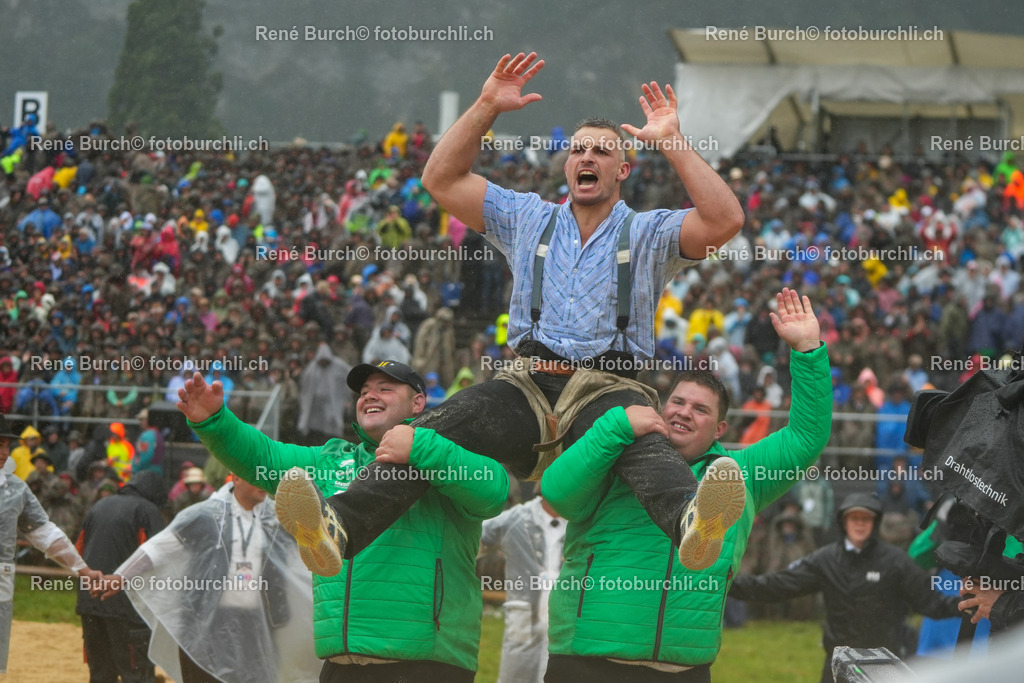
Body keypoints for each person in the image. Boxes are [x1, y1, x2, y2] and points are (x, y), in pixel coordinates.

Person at [278, 52, 747, 581]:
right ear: (567, 164)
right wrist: (485, 106)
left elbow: (726, 219)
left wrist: (673, 142)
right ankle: (335, 527)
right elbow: (441, 178)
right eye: (578, 150)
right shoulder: (528, 216)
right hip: (524, 383)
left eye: (601, 150)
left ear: (623, 169)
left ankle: (694, 524)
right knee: (432, 430)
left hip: (607, 387)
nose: (586, 157)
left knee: (643, 442)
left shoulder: (648, 231)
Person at [539, 287, 831, 682]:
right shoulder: (617, 451)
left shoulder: (738, 474)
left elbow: (805, 438)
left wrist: (808, 349)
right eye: (677, 402)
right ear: (661, 406)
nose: (683, 412)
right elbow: (556, 493)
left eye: (700, 409)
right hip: (589, 661)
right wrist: (617, 426)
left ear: (720, 428)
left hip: (684, 668)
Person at [177, 360, 509, 682]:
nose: (369, 396)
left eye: (385, 388)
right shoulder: (332, 460)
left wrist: (420, 447)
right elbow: (265, 458)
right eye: (363, 391)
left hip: (425, 661)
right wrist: (214, 421)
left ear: (418, 402)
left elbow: (494, 488)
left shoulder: (445, 453)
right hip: (341, 660)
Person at [97, 476, 320, 683]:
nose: (265, 482)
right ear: (237, 475)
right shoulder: (205, 515)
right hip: (206, 624)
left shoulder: (277, 519)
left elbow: (312, 552)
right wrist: (120, 577)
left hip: (260, 626)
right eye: (256, 475)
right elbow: (159, 548)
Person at [730, 493, 962, 683]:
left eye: (866, 518)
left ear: (875, 523)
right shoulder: (826, 559)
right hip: (836, 663)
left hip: (884, 665)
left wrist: (972, 604)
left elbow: (932, 602)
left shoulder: (895, 562)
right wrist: (726, 583)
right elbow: (777, 585)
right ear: (844, 522)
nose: (860, 524)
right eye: (854, 518)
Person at [0, 414, 101, 674]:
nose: (3, 451)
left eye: (5, 445)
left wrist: (83, 570)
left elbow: (45, 533)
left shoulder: (16, 489)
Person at [75, 469, 167, 683]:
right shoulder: (147, 510)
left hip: (89, 602)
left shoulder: (98, 506)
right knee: (136, 675)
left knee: (100, 675)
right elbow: (158, 559)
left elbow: (78, 553)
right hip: (128, 608)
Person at [480, 494, 565, 683]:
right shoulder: (516, 518)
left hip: (563, 626)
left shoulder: (583, 521)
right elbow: (468, 542)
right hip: (522, 622)